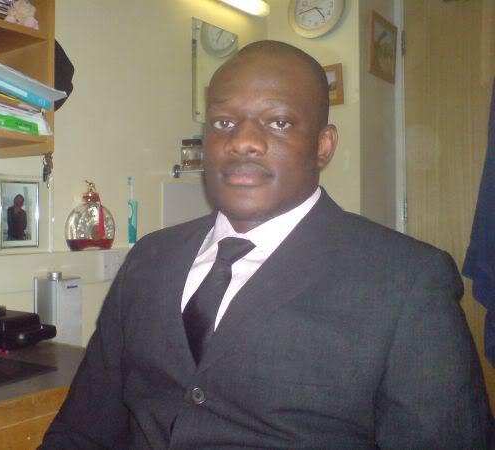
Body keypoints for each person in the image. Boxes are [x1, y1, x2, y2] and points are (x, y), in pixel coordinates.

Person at [41, 41, 492, 449]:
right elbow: (84, 427)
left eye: (278, 122)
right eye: (223, 122)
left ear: (323, 146)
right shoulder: (149, 259)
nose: (242, 142)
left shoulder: (406, 281)